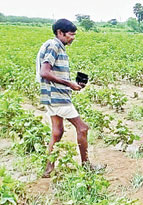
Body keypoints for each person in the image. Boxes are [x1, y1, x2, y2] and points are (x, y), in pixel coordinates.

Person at [36, 19, 98, 177]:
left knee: (57, 131)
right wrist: (68, 84)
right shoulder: (54, 45)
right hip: (57, 96)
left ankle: (48, 169)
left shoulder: (54, 45)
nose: (73, 38)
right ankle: (86, 166)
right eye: (71, 34)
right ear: (60, 33)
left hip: (50, 95)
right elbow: (45, 72)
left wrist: (71, 84)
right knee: (83, 128)